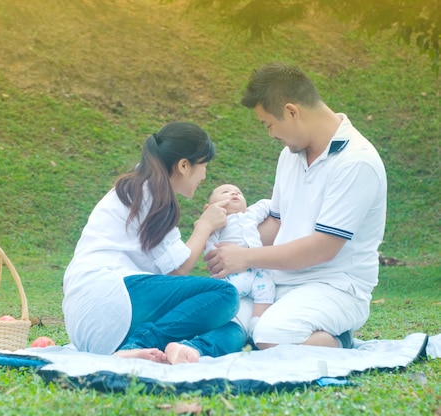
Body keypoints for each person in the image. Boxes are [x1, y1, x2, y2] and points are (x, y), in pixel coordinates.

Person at [205, 63, 387, 350]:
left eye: (269, 124)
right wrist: (227, 238)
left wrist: (247, 257)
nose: (270, 134)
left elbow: (323, 246)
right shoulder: (290, 156)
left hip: (337, 287)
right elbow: (278, 224)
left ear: (291, 111)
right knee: (221, 318)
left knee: (269, 335)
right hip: (282, 280)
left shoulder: (356, 161)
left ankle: (340, 340)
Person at [62, 122, 247, 365]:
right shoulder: (150, 191)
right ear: (183, 165)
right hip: (109, 295)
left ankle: (187, 350)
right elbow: (178, 269)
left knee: (234, 331)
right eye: (203, 166)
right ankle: (137, 344)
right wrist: (205, 226)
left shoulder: (142, 186)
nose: (204, 175)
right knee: (225, 294)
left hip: (94, 324)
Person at [204, 183, 275, 335]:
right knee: (221, 296)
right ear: (211, 206)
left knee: (268, 289)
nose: (234, 194)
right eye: (225, 192)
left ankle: (257, 322)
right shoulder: (218, 223)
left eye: (238, 192)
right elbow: (209, 244)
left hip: (257, 271)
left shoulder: (251, 214)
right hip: (231, 274)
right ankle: (214, 323)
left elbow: (267, 204)